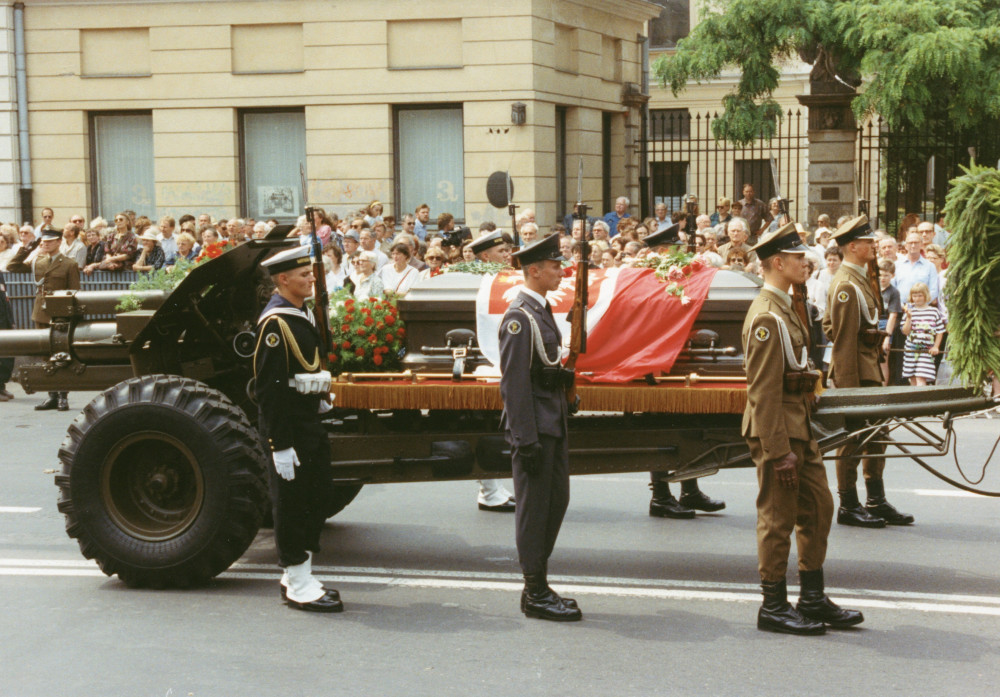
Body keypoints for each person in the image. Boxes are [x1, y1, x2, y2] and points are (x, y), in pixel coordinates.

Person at [742, 223, 863, 636]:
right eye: (797, 257)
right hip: (779, 432)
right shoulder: (766, 317)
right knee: (778, 518)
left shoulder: (785, 309)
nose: (805, 261)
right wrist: (778, 452)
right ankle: (772, 605)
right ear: (777, 262)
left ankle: (811, 595)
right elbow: (762, 393)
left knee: (819, 507)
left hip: (799, 427)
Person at [254, 245, 342, 613]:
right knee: (293, 505)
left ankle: (298, 574)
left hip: (307, 419)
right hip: (289, 427)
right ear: (282, 279)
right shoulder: (275, 323)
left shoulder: (300, 313)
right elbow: (269, 389)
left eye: (311, 273)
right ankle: (297, 580)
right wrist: (280, 445)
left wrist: (320, 395)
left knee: (315, 497)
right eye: (304, 275)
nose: (312, 279)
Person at [498, 234, 581, 622]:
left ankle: (539, 583)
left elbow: (544, 365)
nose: (560, 271)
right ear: (534, 270)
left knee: (556, 502)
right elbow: (514, 385)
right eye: (554, 266)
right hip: (535, 428)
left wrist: (564, 387)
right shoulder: (519, 317)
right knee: (535, 511)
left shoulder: (541, 310)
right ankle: (535, 591)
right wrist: (525, 439)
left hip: (552, 420)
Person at [823, 214, 914, 528]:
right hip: (856, 374)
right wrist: (848, 389)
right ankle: (848, 503)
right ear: (851, 246)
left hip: (869, 369)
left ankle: (875, 499)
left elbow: (829, 324)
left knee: (877, 435)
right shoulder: (846, 285)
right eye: (866, 241)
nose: (873, 245)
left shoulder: (861, 277)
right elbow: (843, 340)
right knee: (853, 437)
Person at [6, 228, 80, 411]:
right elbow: (12, 266)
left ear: (58, 242)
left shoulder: (69, 264)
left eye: (50, 241)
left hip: (60, 314)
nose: (45, 244)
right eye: (43, 241)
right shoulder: (37, 261)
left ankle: (63, 396)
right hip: (41, 312)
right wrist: (28, 248)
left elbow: (75, 292)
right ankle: (52, 395)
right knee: (46, 355)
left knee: (62, 355)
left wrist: (73, 317)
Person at [901, 282, 945, 386]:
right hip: (911, 350)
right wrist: (909, 317)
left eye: (920, 295)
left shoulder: (934, 312)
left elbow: (940, 331)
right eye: (914, 296)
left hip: (926, 350)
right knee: (912, 378)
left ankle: (922, 396)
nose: (917, 298)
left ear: (926, 295)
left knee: (921, 376)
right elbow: (905, 331)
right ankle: (914, 400)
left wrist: (936, 347)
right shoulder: (909, 312)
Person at [894, 230, 939, 305]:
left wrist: (921, 304)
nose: (913, 245)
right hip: (900, 309)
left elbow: (933, 290)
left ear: (921, 245)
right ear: (905, 246)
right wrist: (901, 305)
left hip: (922, 310)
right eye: (910, 243)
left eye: (916, 243)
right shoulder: (896, 265)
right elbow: (892, 289)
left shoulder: (930, 266)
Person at [878, 259, 903, 385]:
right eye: (880, 275)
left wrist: (887, 337)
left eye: (886, 275)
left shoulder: (894, 292)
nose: (882, 278)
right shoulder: (872, 288)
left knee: (883, 359)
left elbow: (893, 315)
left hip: (885, 324)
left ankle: (883, 390)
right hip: (871, 322)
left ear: (892, 276)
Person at [0, 269, 14, 401]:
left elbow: (5, 297)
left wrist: (11, 321)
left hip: (3, 320)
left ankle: (1, 385)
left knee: (5, 357)